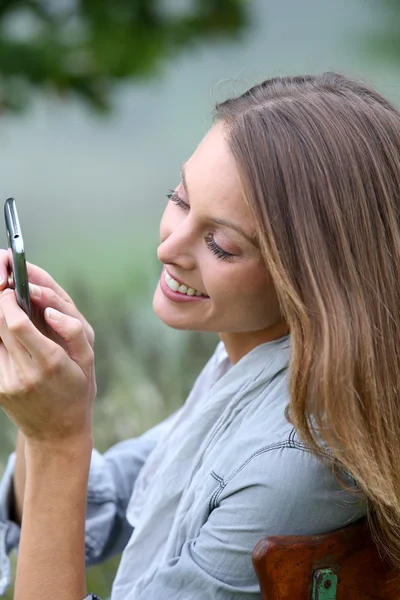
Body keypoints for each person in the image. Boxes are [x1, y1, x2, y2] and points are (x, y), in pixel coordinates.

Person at [0, 70, 399, 600]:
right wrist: (49, 394)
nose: (169, 249)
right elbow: (113, 499)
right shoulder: (251, 367)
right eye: (182, 199)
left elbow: (67, 485)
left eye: (222, 245)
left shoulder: (295, 464)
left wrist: (57, 440)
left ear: (315, 279)